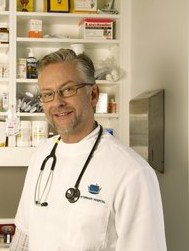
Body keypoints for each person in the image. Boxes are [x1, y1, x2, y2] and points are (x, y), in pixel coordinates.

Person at [10, 49, 166, 251]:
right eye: (48, 94)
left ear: (93, 95)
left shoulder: (132, 172)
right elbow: (24, 236)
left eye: (67, 90)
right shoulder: (42, 154)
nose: (57, 102)